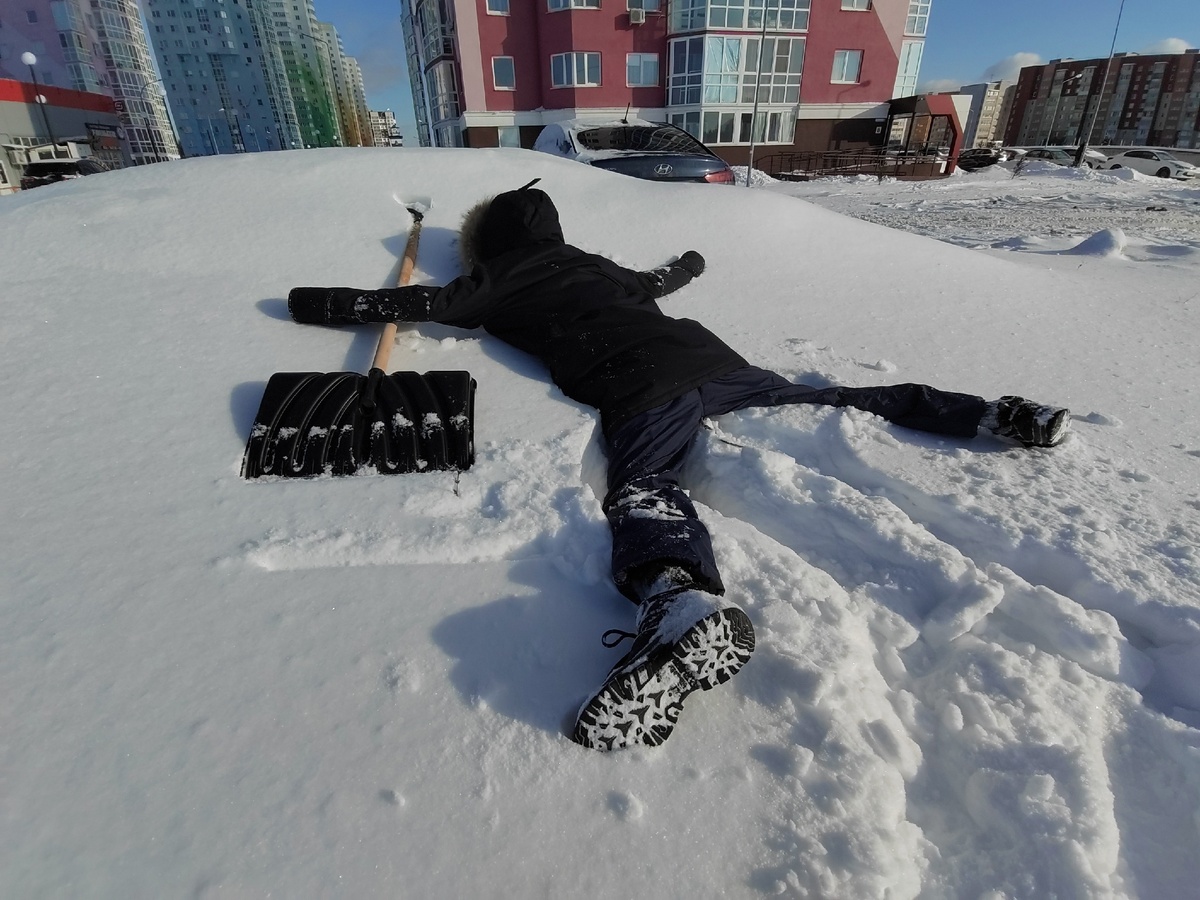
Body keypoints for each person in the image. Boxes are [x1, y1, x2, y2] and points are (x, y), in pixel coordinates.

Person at [287, 180, 1070, 752]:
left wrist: (310, 303)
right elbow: (655, 283)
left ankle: (675, 598)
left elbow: (423, 308)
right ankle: (993, 415)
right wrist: (688, 264)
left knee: (644, 485)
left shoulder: (499, 278)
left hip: (638, 385)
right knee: (839, 397)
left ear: (488, 244)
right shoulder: (591, 263)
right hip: (714, 360)